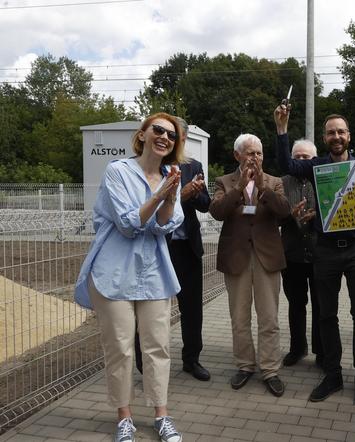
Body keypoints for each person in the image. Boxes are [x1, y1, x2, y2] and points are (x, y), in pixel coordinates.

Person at [74, 113, 185, 442]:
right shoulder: (118, 171)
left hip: (154, 274)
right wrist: (160, 193)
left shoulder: (170, 176)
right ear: (143, 134)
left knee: (157, 347)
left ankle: (161, 415)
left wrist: (171, 194)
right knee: (120, 348)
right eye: (158, 130)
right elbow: (127, 223)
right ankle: (124, 418)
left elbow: (165, 224)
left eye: (172, 135)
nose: (164, 137)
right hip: (114, 273)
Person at [274, 104, 355, 406]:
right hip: (326, 251)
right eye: (331, 132)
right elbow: (286, 164)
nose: (336, 136)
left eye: (341, 132)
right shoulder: (316, 166)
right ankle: (333, 374)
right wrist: (282, 130)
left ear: (349, 136)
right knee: (327, 315)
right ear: (324, 137)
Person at [208, 133, 290, 397]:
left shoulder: (275, 182)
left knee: (269, 318)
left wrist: (262, 186)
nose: (255, 157)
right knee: (239, 318)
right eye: (250, 153)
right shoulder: (225, 182)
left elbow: (284, 211)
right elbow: (217, 211)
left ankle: (270, 370)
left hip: (267, 257)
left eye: (259, 153)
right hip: (237, 258)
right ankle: (245, 365)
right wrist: (238, 188)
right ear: (237, 156)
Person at [135, 118, 212, 382]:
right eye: (165, 133)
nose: (170, 138)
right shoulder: (153, 166)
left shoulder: (194, 166)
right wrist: (181, 195)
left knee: (192, 308)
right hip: (158, 248)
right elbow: (146, 207)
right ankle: (144, 364)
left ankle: (192, 360)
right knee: (150, 308)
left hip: (187, 247)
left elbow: (206, 205)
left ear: (184, 139)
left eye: (176, 135)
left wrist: (196, 192)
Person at [280, 139, 323, 367]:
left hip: (319, 254)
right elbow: (273, 216)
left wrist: (317, 214)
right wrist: (289, 214)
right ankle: (297, 348)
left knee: (320, 305)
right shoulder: (282, 182)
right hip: (291, 253)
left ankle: (321, 351)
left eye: (306, 157)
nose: (301, 160)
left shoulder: (323, 179)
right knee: (296, 304)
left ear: (314, 159)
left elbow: (334, 209)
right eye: (297, 156)